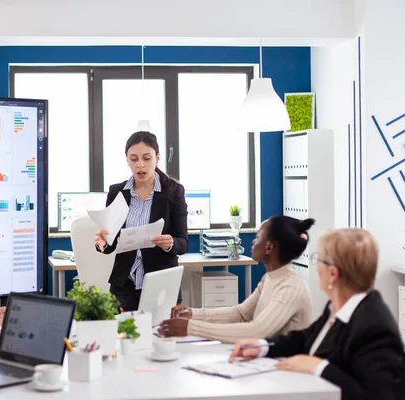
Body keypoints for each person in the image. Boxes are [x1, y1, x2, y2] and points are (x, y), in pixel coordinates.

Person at [230, 228, 405, 400]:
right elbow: (305, 338)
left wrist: (319, 366)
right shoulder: (337, 306)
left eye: (318, 260)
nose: (317, 267)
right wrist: (262, 346)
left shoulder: (375, 328)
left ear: (333, 274)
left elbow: (378, 396)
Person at [159, 216, 314, 343]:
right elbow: (240, 314)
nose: (254, 241)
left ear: (269, 248)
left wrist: (190, 328)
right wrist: (192, 314)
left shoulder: (291, 287)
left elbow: (257, 331)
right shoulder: (270, 279)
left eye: (258, 236)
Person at [94, 131, 188, 311]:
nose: (140, 165)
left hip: (161, 283)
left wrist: (170, 243)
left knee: (161, 337)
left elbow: (183, 243)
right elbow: (111, 244)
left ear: (157, 158)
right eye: (134, 159)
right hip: (124, 286)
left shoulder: (174, 192)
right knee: (122, 337)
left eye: (146, 158)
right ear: (127, 160)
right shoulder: (117, 192)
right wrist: (102, 243)